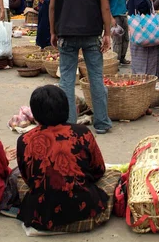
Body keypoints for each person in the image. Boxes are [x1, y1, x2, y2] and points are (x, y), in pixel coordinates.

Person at [17, 86, 119, 233]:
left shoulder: (24, 140)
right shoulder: (82, 132)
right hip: (84, 207)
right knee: (114, 176)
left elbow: (28, 179)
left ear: (36, 114)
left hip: (43, 214)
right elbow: (99, 170)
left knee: (18, 179)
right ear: (66, 108)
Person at [49, 0, 112, 134]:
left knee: (67, 79)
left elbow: (52, 7)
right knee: (96, 78)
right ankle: (101, 123)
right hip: (92, 34)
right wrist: (107, 33)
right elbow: (105, 7)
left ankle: (69, 124)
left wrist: (52, 31)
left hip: (65, 33)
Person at [127, 0, 159, 78]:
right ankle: (147, 80)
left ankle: (140, 79)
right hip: (145, 30)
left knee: (137, 57)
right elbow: (141, 6)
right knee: (146, 59)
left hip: (136, 29)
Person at [107, 0, 133, 65]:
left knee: (126, 38)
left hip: (123, 15)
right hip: (114, 17)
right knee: (117, 40)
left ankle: (122, 58)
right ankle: (116, 61)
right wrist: (111, 19)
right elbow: (107, 5)